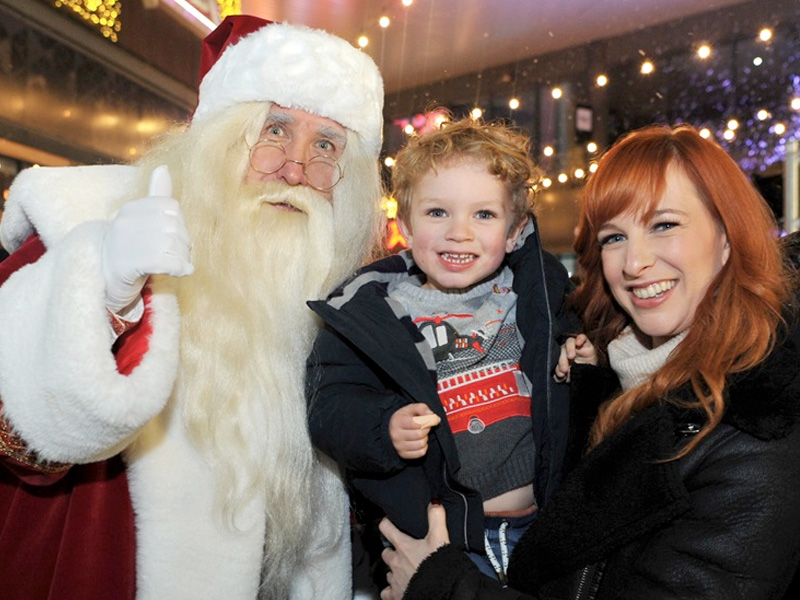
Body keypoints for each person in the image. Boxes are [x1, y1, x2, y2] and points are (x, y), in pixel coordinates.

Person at [0, 15, 384, 600]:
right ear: (217, 139)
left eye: (325, 145)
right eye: (275, 131)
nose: (295, 170)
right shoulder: (83, 228)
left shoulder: (335, 300)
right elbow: (15, 441)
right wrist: (104, 301)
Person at [377, 123, 800, 600]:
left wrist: (441, 586)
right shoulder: (615, 372)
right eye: (614, 237)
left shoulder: (760, 426)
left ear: (726, 236)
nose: (634, 263)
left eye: (664, 225)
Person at [306, 115, 575, 590]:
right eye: (437, 213)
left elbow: (576, 345)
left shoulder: (536, 294)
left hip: (542, 529)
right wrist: (384, 426)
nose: (459, 232)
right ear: (405, 226)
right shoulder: (371, 312)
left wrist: (578, 347)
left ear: (515, 231)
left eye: (483, 215)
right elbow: (330, 404)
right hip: (441, 539)